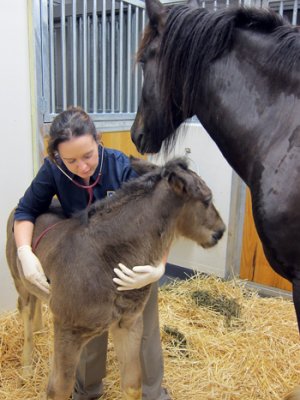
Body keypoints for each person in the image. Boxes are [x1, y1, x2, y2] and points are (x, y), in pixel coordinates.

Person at [14, 106, 171, 400]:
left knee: (143, 325)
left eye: (88, 155)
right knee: (85, 324)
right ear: (57, 156)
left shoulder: (122, 167)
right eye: (71, 160)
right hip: (91, 264)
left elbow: (160, 219)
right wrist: (24, 253)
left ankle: (153, 393)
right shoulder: (54, 170)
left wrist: (158, 267)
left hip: (131, 263)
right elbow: (26, 211)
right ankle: (87, 390)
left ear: (98, 140)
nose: (82, 166)